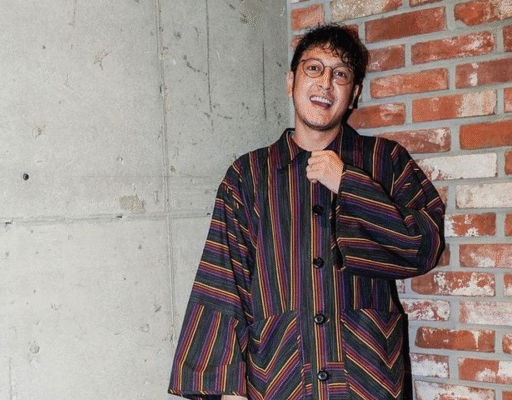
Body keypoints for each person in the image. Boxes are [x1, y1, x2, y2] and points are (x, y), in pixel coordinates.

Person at [168, 24, 445, 400]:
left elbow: (423, 247)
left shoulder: (386, 161)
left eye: (340, 74)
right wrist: (228, 389)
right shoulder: (249, 176)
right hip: (280, 381)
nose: (325, 83)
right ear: (291, 81)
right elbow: (224, 277)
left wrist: (348, 183)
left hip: (368, 380)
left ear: (353, 94)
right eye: (314, 68)